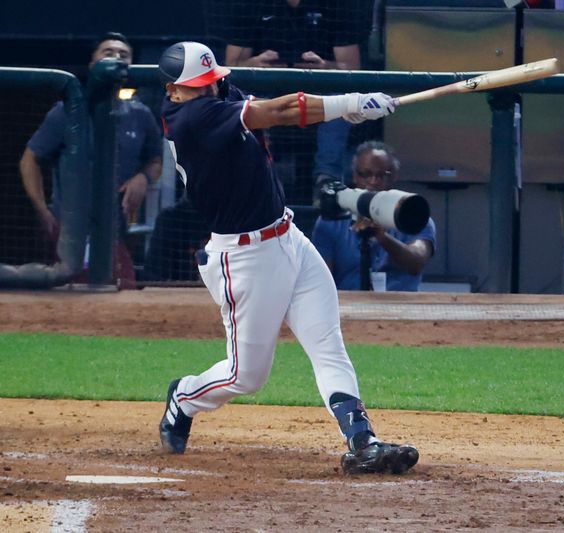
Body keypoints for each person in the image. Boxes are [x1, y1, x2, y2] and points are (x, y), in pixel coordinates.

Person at [156, 41, 418, 475]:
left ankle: (362, 441)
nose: (208, 90)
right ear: (173, 92)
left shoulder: (219, 94)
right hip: (243, 258)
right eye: (196, 87)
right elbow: (277, 112)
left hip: (289, 237)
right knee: (246, 376)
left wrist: (340, 112)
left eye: (210, 82)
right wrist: (349, 102)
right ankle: (184, 396)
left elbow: (277, 109)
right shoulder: (189, 120)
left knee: (327, 343)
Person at [20, 32, 163, 246]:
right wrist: (42, 210)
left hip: (115, 236)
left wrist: (142, 178)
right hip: (68, 233)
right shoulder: (67, 111)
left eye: (123, 54)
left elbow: (155, 161)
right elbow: (29, 159)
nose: (117, 57)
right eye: (108, 52)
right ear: (92, 64)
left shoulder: (141, 114)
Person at [218, 0, 372, 198]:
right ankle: (255, 179)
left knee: (341, 100)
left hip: (320, 90)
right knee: (239, 101)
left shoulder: (338, 6)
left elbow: (352, 67)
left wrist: (325, 66)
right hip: (265, 91)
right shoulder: (249, 5)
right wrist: (256, 64)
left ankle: (327, 183)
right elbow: (232, 65)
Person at [311, 141, 436, 291]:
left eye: (381, 175)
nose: (373, 182)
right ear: (355, 175)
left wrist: (382, 237)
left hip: (400, 309)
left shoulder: (415, 216)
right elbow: (320, 280)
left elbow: (416, 262)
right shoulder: (331, 220)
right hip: (348, 308)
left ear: (394, 176)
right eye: (365, 174)